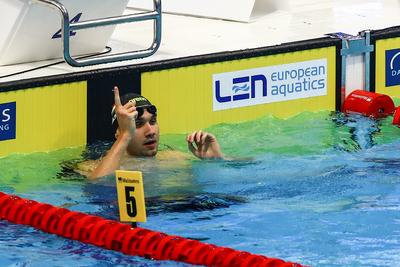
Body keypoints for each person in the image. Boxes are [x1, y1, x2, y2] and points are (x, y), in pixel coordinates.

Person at [89, 86, 224, 178]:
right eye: (139, 124)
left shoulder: (172, 158)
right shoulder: (94, 166)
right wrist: (126, 135)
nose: (150, 131)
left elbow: (241, 167)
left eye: (153, 122)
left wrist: (217, 159)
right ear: (118, 132)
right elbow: (98, 189)